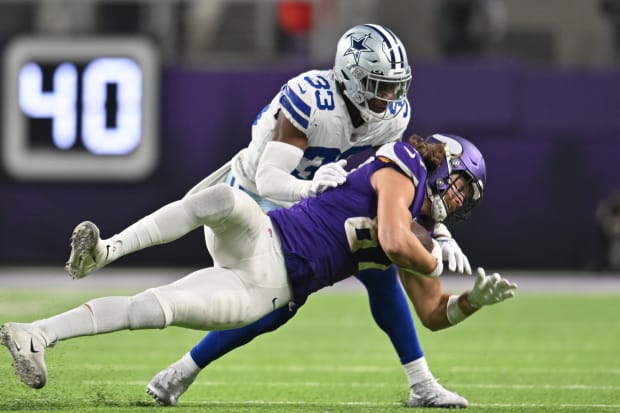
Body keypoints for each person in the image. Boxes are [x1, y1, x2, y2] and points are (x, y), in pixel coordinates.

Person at [1, 135, 517, 406]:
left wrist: (474, 301)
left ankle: (37, 334)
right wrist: (429, 252)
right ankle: (107, 250)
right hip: (268, 234)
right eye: (461, 186)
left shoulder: (421, 234)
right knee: (221, 198)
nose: (458, 200)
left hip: (266, 288)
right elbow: (391, 236)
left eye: (466, 197)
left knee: (154, 308)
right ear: (443, 164)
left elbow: (431, 313)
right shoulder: (404, 169)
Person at [141, 23, 471, 408]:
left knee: (379, 268)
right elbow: (269, 180)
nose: (390, 96)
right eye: (379, 85)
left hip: (316, 196)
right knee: (270, 305)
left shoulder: (391, 115)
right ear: (350, 76)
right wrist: (311, 187)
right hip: (256, 194)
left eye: (395, 85)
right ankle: (182, 369)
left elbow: (396, 179)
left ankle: (422, 384)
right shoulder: (312, 99)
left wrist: (438, 229)